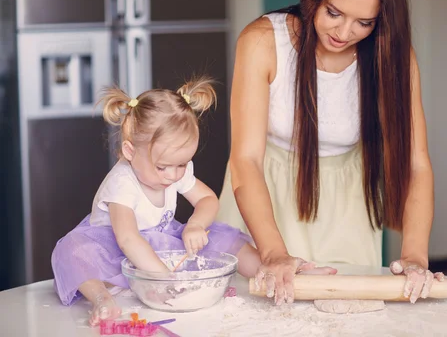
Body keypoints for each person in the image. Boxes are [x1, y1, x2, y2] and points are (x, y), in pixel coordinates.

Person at [218, 0, 443, 306]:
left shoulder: (394, 59)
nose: (343, 33)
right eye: (333, 13)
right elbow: (246, 159)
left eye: (364, 22)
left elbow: (417, 164)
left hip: (346, 209)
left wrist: (415, 256)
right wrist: (273, 253)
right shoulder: (262, 41)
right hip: (263, 196)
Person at [51, 77, 331, 325]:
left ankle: (276, 275)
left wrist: (196, 224)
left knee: (222, 236)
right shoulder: (122, 183)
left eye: (182, 165)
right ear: (129, 151)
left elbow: (207, 199)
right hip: (113, 249)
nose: (173, 176)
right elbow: (127, 239)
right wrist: (166, 278)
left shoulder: (173, 169)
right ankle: (101, 298)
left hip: (160, 241)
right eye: (163, 167)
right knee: (72, 251)